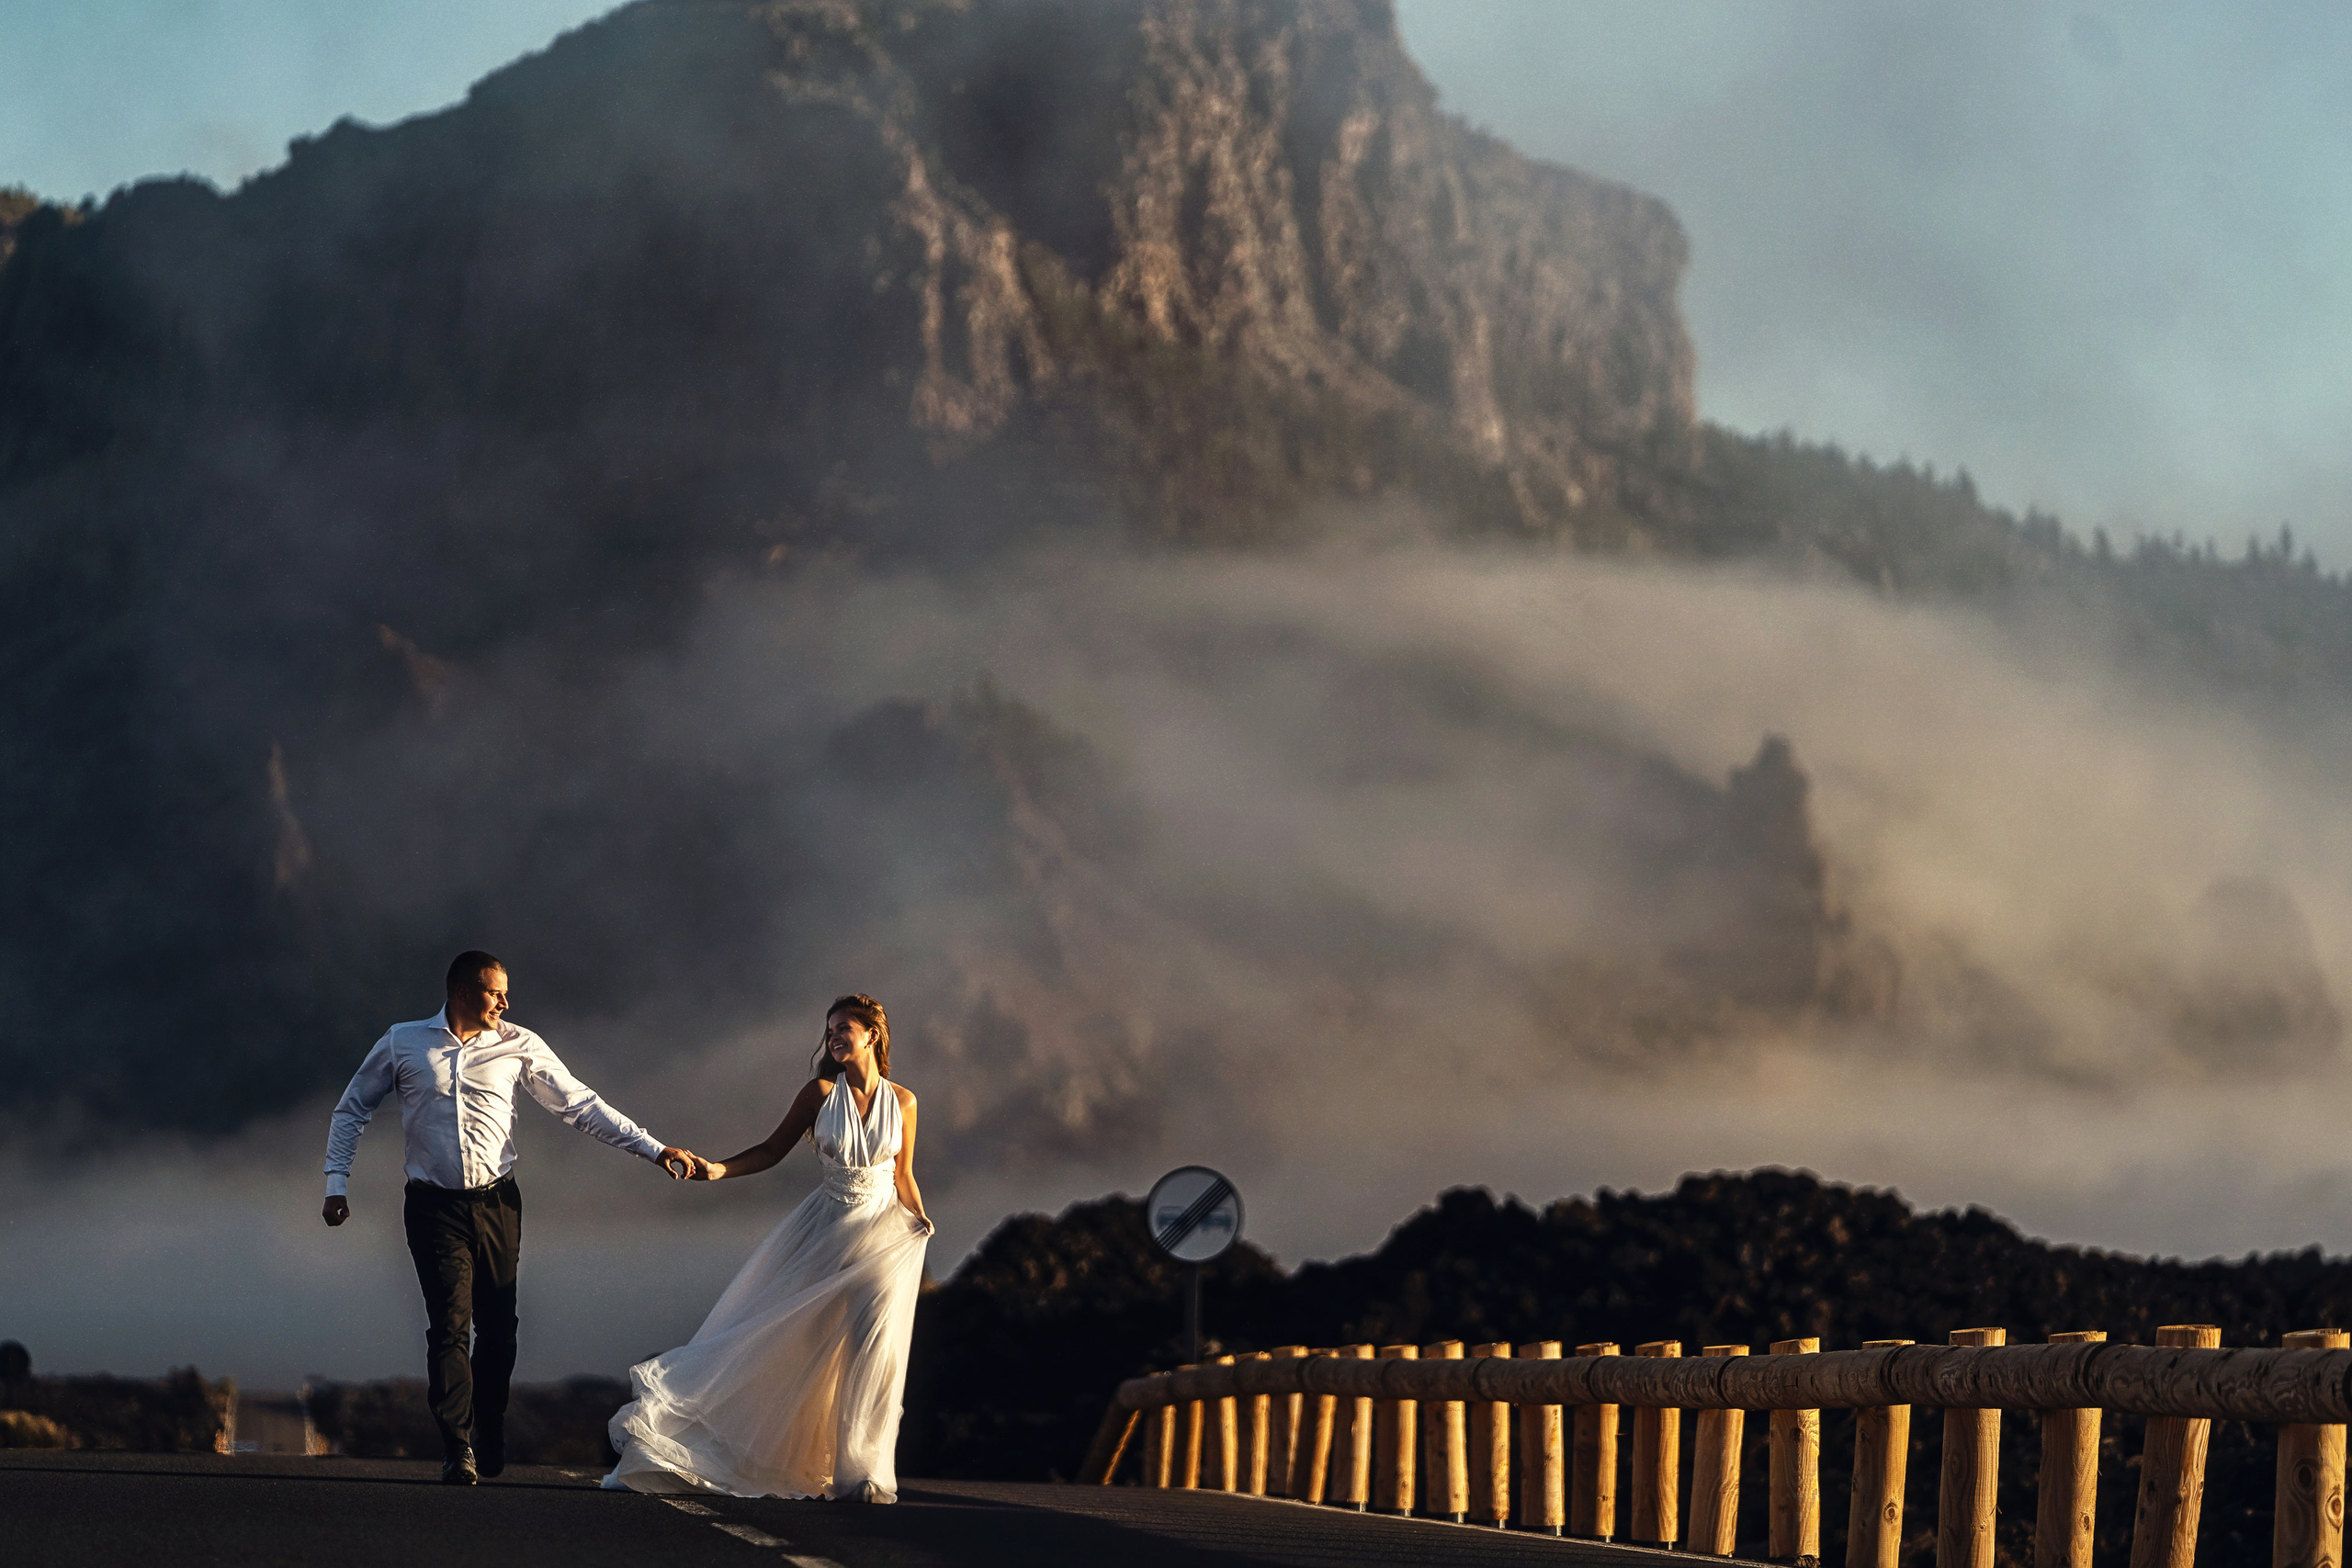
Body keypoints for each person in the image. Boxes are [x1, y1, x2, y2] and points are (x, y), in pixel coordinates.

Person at [321, 951, 700, 1484]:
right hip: (433, 1207)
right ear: (460, 993)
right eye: (495, 991)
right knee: (449, 1326)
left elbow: (580, 1105)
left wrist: (655, 1149)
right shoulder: (403, 1041)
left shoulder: (518, 1044)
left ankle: (488, 1420)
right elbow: (351, 1107)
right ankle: (457, 1446)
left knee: (498, 1329)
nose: (505, 1001)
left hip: (497, 1203)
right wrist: (337, 1184)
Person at [604, 992, 932, 1501]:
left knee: (874, 1354)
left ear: (873, 1034)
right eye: (829, 1031)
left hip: (882, 1239)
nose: (834, 1037)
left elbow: (903, 1174)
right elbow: (772, 1150)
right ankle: (769, 1457)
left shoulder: (905, 1102)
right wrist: (717, 1169)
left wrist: (919, 1217)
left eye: (845, 1027)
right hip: (825, 1230)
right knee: (795, 1343)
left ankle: (863, 1473)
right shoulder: (821, 1093)